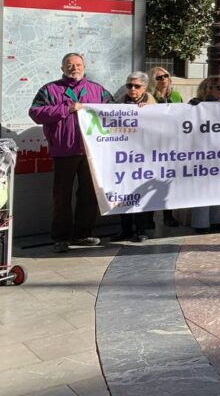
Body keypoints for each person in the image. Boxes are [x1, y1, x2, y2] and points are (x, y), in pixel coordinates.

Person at [29, 53, 113, 253]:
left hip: (92, 152)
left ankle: (83, 234)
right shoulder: (49, 90)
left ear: (84, 67)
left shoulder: (97, 90)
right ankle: (60, 237)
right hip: (63, 151)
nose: (74, 68)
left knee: (89, 195)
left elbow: (114, 112)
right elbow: (35, 113)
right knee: (62, 197)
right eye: (69, 65)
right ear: (62, 68)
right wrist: (66, 108)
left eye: (77, 64)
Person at [113, 71, 156, 242]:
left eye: (137, 86)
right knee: (123, 193)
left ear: (144, 87)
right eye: (129, 85)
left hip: (145, 157)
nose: (132, 89)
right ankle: (126, 229)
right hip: (123, 157)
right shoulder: (118, 104)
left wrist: (149, 112)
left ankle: (142, 229)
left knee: (143, 194)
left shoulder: (153, 105)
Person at [188, 76, 220, 234]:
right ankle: (201, 222)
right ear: (208, 88)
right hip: (201, 152)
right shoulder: (196, 105)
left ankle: (217, 220)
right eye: (219, 87)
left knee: (219, 187)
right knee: (202, 187)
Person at [148, 66, 184, 228]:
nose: (163, 79)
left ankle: (168, 215)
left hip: (171, 143)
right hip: (152, 144)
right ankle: (148, 219)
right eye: (159, 77)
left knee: (167, 181)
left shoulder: (176, 96)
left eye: (166, 76)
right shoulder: (149, 97)